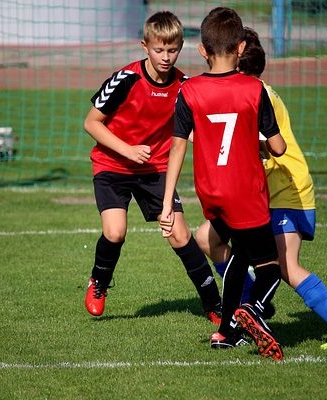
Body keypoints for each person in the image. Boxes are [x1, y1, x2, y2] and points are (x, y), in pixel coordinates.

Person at [194, 26, 327, 350]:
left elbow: (273, 146)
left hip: (286, 191)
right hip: (256, 194)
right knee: (208, 236)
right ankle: (249, 310)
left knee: (285, 267)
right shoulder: (241, 93)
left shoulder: (258, 95)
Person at [159, 7, 287, 361]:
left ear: (201, 50)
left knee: (239, 256)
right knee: (271, 267)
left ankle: (225, 332)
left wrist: (167, 203)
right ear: (242, 46)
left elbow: (178, 147)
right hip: (247, 193)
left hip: (212, 193)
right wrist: (259, 143)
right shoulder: (253, 89)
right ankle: (255, 312)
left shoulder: (189, 91)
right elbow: (278, 146)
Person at [83, 11, 222, 325]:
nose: (166, 57)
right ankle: (99, 282)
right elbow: (91, 122)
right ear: (144, 46)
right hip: (112, 164)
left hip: (156, 170)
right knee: (115, 232)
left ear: (180, 47)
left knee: (179, 233)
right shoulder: (126, 79)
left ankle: (215, 305)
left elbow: (197, 132)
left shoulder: (185, 86)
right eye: (159, 50)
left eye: (172, 50)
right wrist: (128, 150)